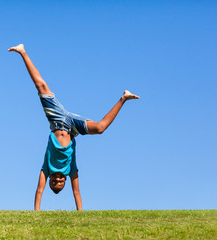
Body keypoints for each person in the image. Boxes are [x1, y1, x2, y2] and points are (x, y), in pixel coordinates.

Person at [8, 44, 139, 211]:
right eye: (61, 183)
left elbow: (39, 191)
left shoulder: (46, 169)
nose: (59, 180)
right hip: (72, 128)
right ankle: (123, 98)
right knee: (100, 128)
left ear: (50, 180)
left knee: (41, 86)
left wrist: (36, 214)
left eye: (55, 182)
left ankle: (22, 51)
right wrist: (80, 215)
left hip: (57, 120)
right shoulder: (71, 170)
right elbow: (77, 193)